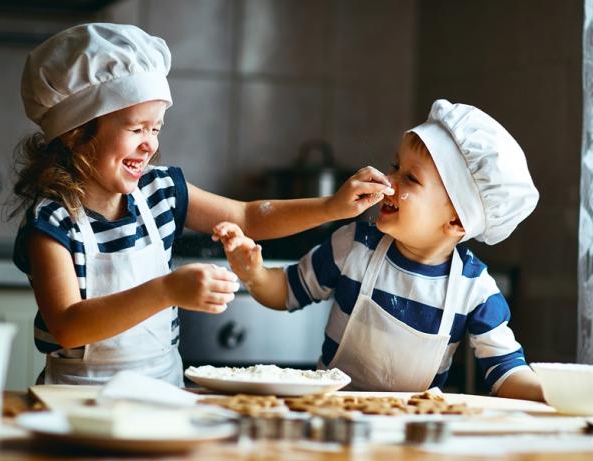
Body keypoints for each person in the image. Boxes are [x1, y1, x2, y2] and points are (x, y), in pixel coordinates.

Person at [10, 23, 394, 386]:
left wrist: (331, 207)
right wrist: (165, 291)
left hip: (162, 396)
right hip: (74, 405)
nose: (150, 144)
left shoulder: (161, 191)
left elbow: (248, 216)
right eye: (136, 128)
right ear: (77, 132)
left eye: (156, 128)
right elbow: (66, 324)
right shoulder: (53, 221)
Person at [214, 99, 545, 401]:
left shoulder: (475, 289)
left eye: (410, 178)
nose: (389, 181)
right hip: (330, 418)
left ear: (458, 220)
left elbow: (507, 373)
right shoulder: (354, 245)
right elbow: (285, 291)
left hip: (412, 432)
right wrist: (253, 273)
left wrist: (558, 393)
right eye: (394, 166)